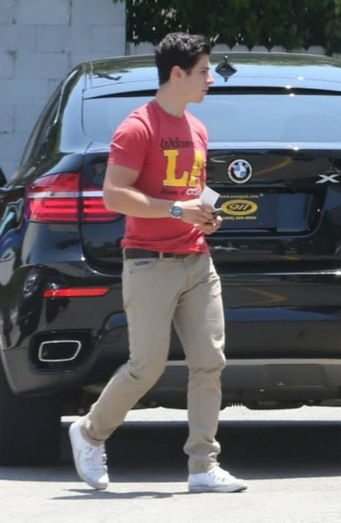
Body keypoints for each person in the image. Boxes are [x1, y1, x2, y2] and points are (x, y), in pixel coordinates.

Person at [68, 32, 247, 493]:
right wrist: (174, 211)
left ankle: (202, 466)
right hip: (149, 262)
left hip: (196, 260)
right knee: (145, 366)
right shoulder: (137, 128)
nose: (211, 79)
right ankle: (90, 433)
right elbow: (114, 195)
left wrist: (205, 219)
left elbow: (189, 195)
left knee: (209, 361)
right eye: (204, 71)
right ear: (177, 74)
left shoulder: (198, 128)